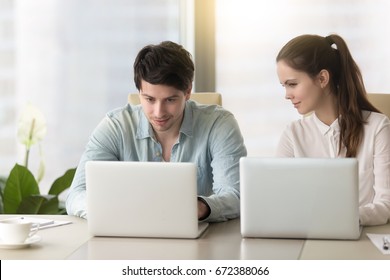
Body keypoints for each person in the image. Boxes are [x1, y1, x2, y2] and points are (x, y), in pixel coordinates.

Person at [66, 41, 247, 222]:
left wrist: (201, 207)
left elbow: (235, 195)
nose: (159, 112)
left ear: (188, 92)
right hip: (129, 237)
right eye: (149, 99)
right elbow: (76, 195)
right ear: (139, 92)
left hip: (203, 241)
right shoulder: (116, 127)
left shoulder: (219, 124)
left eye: (170, 100)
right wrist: (113, 210)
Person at [275, 34, 390, 226]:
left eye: (292, 84)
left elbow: (386, 204)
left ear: (322, 78)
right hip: (307, 237)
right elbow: (279, 201)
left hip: (361, 239)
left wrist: (341, 219)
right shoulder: (292, 134)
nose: (287, 95)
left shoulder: (377, 127)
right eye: (284, 86)